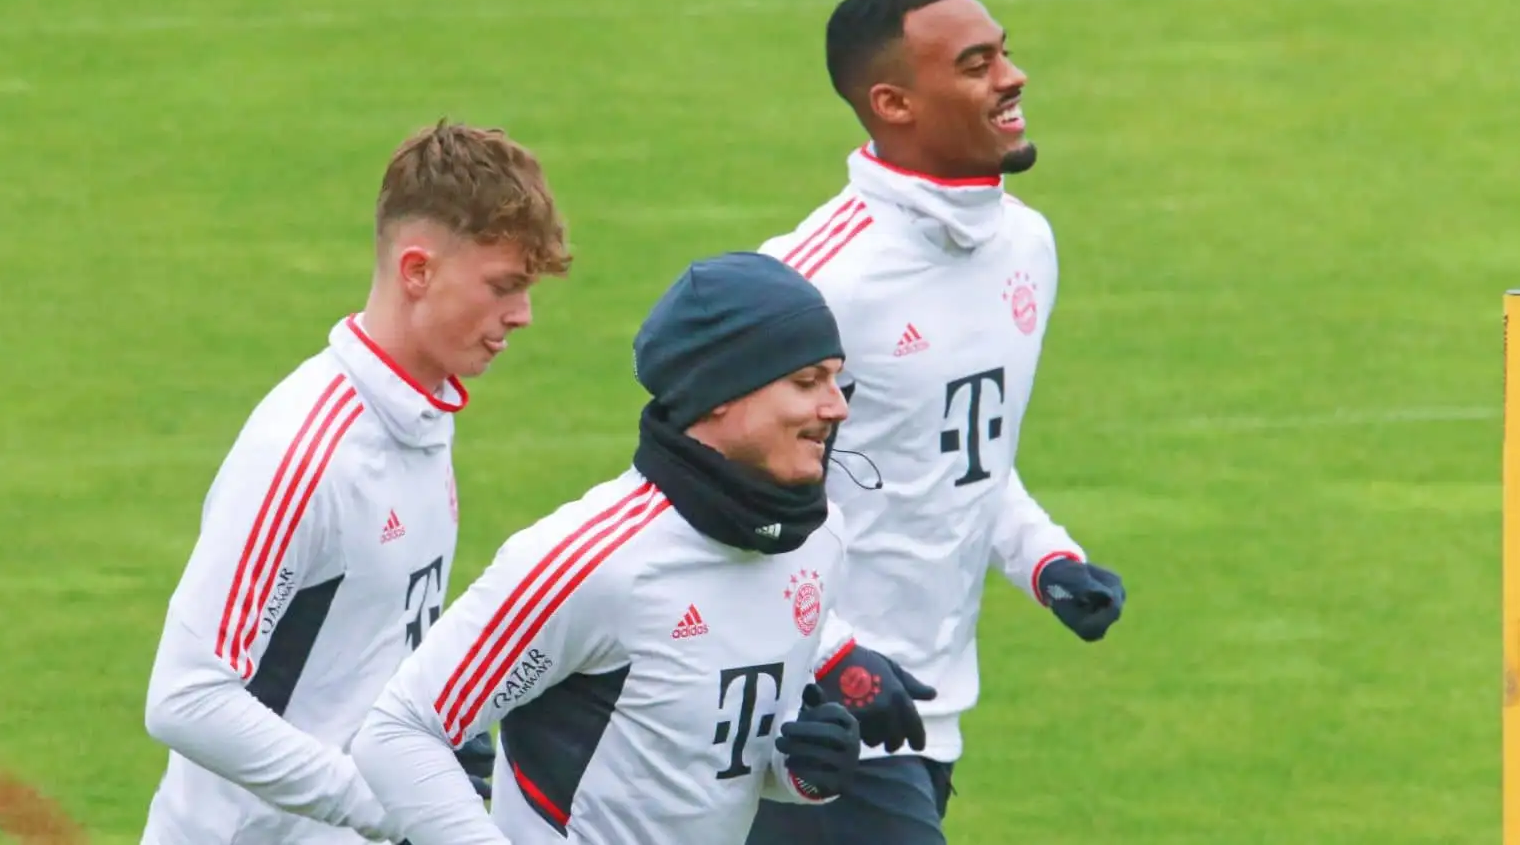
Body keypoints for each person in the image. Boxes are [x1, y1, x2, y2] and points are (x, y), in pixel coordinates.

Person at [347, 251, 939, 845]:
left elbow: (711, 754)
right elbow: (399, 730)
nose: (837, 406)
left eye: (836, 379)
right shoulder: (591, 561)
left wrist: (801, 771)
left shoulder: (816, 543)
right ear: (719, 395)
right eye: (807, 382)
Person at [746, 0, 1130, 844]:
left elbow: (963, 458)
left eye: (1004, 51)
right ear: (894, 102)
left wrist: (1046, 560)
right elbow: (710, 503)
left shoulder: (1026, 246)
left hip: (926, 709)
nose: (1013, 76)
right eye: (976, 64)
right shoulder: (813, 282)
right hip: (806, 714)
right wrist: (837, 653)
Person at [139, 119, 572, 845]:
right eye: (503, 287)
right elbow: (186, 697)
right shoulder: (308, 455)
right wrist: (384, 807)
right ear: (416, 271)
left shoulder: (419, 418)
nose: (521, 316)